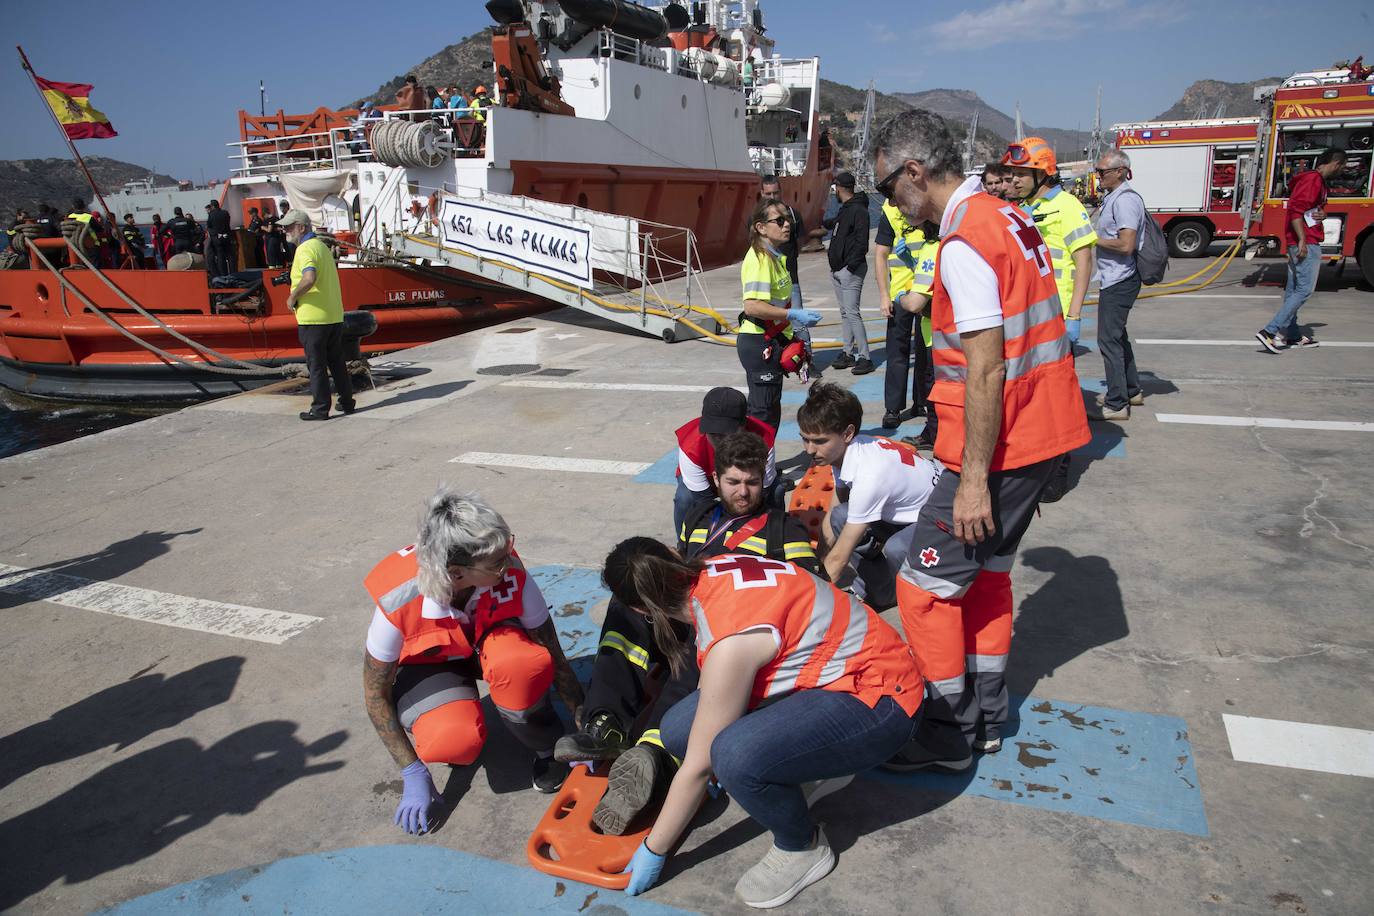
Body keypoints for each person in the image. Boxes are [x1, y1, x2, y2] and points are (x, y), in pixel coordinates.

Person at [870, 109, 1088, 769]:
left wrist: (970, 482)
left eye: (888, 189)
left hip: (998, 447)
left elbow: (987, 365)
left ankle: (949, 731)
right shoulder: (1007, 215)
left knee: (923, 589)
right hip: (1043, 433)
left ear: (916, 172)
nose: (892, 205)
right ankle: (989, 716)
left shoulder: (965, 240)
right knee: (988, 579)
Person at [612, 538, 923, 907]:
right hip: (835, 674)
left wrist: (655, 848)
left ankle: (803, 847)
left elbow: (698, 767)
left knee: (732, 756)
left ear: (639, 608)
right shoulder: (718, 567)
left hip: (883, 699)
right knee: (678, 728)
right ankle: (805, 766)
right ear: (675, 556)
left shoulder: (730, 638)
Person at [555, 432, 820, 837]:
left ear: (764, 482)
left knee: (696, 666)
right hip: (685, 608)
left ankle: (656, 754)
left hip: (736, 628)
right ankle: (604, 723)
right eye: (734, 482)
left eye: (752, 482)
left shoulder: (784, 530)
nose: (744, 491)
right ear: (716, 480)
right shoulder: (700, 518)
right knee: (626, 608)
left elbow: (811, 586)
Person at [362, 488, 584, 835]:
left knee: (522, 664)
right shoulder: (398, 599)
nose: (508, 561)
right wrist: (412, 770)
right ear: (457, 573)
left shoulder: (509, 572)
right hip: (432, 664)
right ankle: (453, 712)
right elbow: (375, 693)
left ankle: (544, 744)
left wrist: (584, 724)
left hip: (493, 646)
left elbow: (552, 651)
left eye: (508, 547)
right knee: (451, 739)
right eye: (496, 561)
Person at [1003, 138, 1097, 498]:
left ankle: (1059, 469)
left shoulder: (1067, 205)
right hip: (1029, 319)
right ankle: (1034, 462)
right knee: (1033, 394)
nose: (1013, 180)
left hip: (1057, 318)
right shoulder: (1023, 208)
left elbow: (1084, 259)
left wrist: (1074, 314)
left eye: (1020, 174)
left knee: (1058, 398)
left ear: (1042, 172)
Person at [798, 382, 942, 609]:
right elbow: (835, 509)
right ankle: (882, 592)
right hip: (910, 510)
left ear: (847, 433)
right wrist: (817, 564)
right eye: (805, 439)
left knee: (896, 547)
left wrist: (807, 605)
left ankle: (905, 593)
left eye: (819, 441)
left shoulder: (869, 474)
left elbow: (840, 556)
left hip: (941, 514)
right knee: (840, 517)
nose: (809, 450)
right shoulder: (846, 451)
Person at [738, 198, 822, 431]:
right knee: (762, 413)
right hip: (759, 342)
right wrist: (793, 314)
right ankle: (755, 465)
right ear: (761, 227)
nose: (787, 225)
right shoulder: (759, 259)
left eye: (789, 219)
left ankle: (766, 466)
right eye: (780, 220)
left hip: (772, 341)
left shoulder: (775, 257)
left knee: (770, 409)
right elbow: (752, 306)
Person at [1256, 147, 1347, 353]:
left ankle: (1293, 336)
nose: (1340, 171)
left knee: (1293, 290)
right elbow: (1296, 210)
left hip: (1302, 240)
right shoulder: (1313, 180)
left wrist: (1321, 214)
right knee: (1304, 290)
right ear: (1336, 163)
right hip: (1306, 242)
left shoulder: (1315, 182)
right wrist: (1303, 240)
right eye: (1341, 166)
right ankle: (1270, 331)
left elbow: (1306, 209)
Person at [672, 386, 780, 535]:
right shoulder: (690, 445)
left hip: (746, 480)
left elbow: (763, 491)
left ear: (743, 426)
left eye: (726, 433)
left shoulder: (763, 440)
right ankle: (684, 545)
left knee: (776, 491)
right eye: (713, 432)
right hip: (708, 483)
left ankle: (777, 535)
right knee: (684, 498)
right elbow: (704, 502)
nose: (718, 439)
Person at [280, 209, 355, 420]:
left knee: (316, 366)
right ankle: (347, 402)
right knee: (337, 363)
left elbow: (309, 278)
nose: (285, 231)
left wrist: (292, 297)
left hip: (313, 318)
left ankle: (320, 408)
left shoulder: (304, 250)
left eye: (289, 227)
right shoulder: (322, 247)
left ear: (301, 227)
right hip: (333, 316)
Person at [1091, 150, 1148, 419]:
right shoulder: (1114, 197)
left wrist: (1091, 239)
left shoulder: (1125, 201)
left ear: (1120, 171)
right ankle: (1131, 390)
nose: (1098, 176)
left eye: (1102, 172)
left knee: (1108, 340)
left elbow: (1126, 245)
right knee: (1118, 337)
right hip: (1115, 277)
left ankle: (1117, 404)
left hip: (1120, 278)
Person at [874, 200, 939, 429]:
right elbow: (881, 254)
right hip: (900, 291)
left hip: (928, 290)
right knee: (897, 350)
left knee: (925, 350)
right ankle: (893, 408)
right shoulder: (889, 211)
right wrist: (884, 295)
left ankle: (921, 401)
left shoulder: (928, 202)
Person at [758, 176, 815, 378]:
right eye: (768, 193)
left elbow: (799, 241)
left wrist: (790, 260)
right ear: (762, 193)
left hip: (790, 279)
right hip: (768, 284)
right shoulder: (757, 218)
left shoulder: (792, 214)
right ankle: (779, 358)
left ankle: (807, 360)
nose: (772, 197)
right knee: (769, 324)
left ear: (781, 192)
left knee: (798, 322)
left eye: (775, 193)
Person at [821, 172, 874, 374]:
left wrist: (849, 268)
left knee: (852, 313)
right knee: (845, 313)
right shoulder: (846, 210)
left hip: (849, 271)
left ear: (839, 188)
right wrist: (822, 223)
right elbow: (837, 225)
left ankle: (865, 356)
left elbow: (862, 243)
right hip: (838, 270)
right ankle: (848, 352)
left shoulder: (858, 210)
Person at [204, 200, 235, 277]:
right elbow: (228, 223)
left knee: (220, 256)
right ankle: (233, 272)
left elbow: (209, 226)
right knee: (230, 255)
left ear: (213, 206)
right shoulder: (225, 213)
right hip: (226, 236)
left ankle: (223, 274)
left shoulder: (211, 214)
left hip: (217, 238)